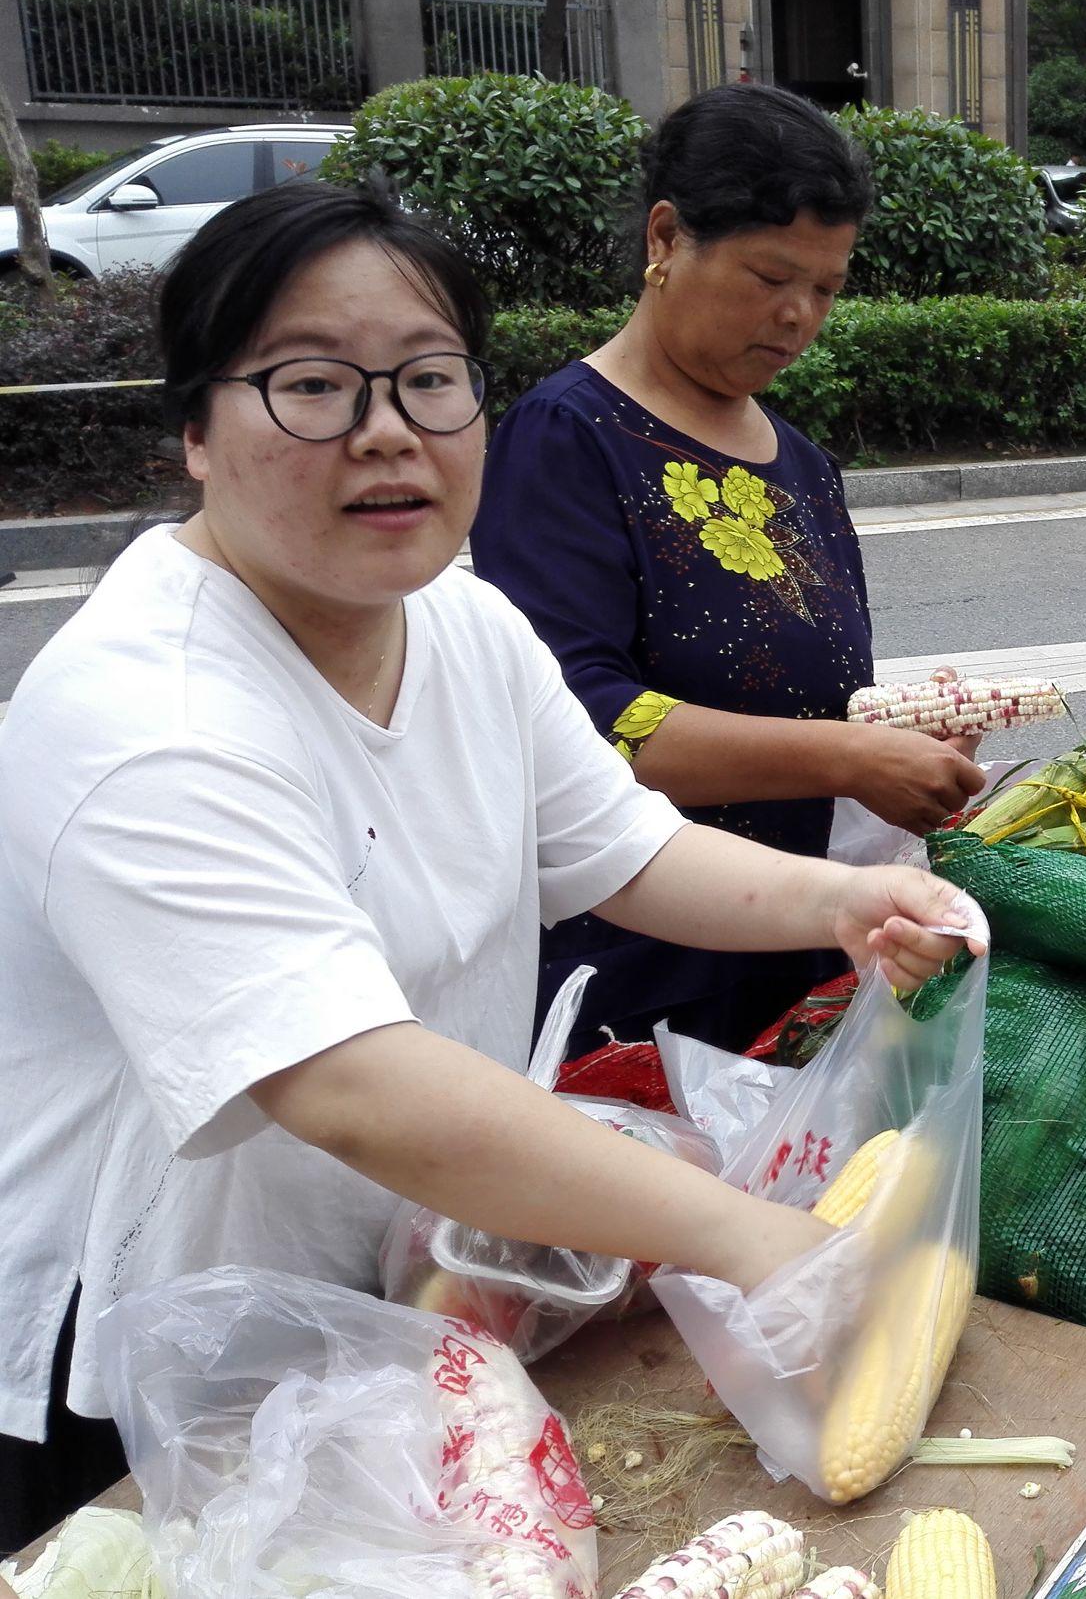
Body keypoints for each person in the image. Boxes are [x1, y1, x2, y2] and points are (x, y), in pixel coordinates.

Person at [0, 180, 979, 1546]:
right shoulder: (145, 722)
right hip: (144, 1370)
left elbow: (622, 849)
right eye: (312, 385)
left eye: (428, 380)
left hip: (368, 1300)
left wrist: (842, 902)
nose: (386, 431)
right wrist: (752, 1239)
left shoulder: (460, 620)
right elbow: (347, 1081)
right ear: (194, 433)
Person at [470, 84, 984, 1054]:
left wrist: (895, 732)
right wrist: (845, 755)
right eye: (767, 276)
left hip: (799, 940)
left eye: (826, 289)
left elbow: (811, 696)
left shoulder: (801, 464)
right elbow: (583, 722)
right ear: (666, 238)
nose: (797, 315)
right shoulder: (568, 436)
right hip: (637, 961)